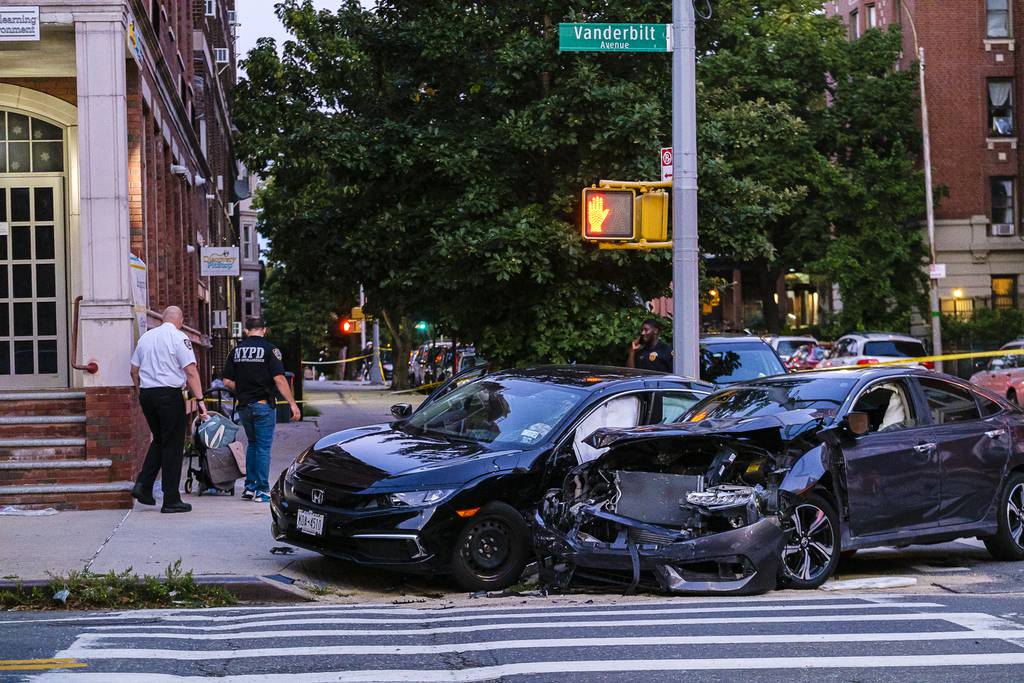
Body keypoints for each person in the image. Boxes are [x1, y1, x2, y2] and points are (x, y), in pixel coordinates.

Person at [130, 305, 208, 514]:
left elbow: (134, 370)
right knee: (173, 445)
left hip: (147, 394)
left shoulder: (146, 337)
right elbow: (191, 371)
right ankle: (171, 499)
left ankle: (143, 486)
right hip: (168, 394)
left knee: (160, 440)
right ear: (180, 320)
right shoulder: (179, 337)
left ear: (163, 318)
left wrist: (141, 393)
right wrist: (200, 401)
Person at [222, 317, 301, 503]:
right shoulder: (270, 350)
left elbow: (226, 381)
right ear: (264, 330)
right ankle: (262, 490)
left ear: (246, 331)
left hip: (244, 406)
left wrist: (242, 389)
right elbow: (280, 379)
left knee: (253, 444)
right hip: (263, 404)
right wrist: (292, 403)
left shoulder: (235, 351)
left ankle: (249, 488)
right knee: (263, 448)